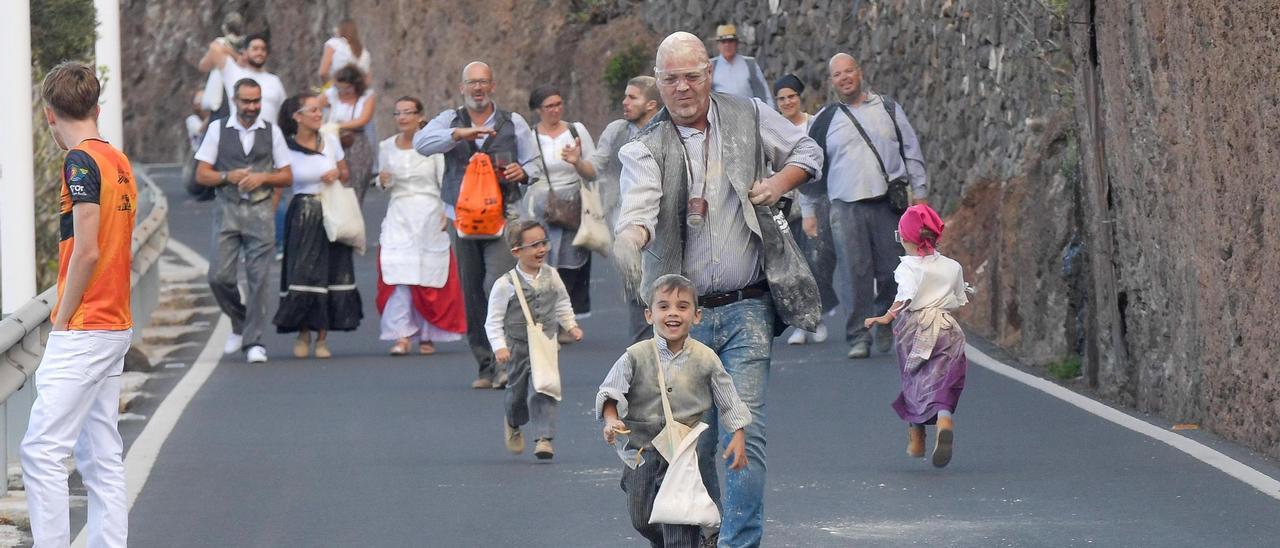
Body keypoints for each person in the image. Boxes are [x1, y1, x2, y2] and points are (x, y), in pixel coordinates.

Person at [614, 32, 823, 547]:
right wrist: (631, 236)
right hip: (684, 323)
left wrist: (776, 185)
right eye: (670, 79)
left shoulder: (749, 114)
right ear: (657, 83)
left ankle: (737, 541)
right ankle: (706, 528)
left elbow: (807, 148)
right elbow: (640, 205)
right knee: (693, 441)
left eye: (692, 76)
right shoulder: (643, 147)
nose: (682, 88)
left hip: (748, 304)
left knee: (742, 431)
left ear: (709, 73)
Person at [20, 61, 136, 548]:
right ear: (97, 107)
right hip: (115, 321)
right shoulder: (118, 159)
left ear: (49, 115)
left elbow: (86, 249)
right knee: (100, 456)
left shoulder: (80, 162)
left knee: (42, 451)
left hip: (87, 324)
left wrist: (62, 319)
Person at [597, 274, 751, 548]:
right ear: (649, 314)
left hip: (682, 452)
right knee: (642, 518)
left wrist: (738, 434)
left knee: (679, 520)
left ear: (697, 315)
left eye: (682, 307)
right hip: (640, 452)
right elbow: (611, 390)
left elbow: (728, 397)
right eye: (664, 306)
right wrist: (611, 419)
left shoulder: (706, 358)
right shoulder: (635, 355)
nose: (673, 313)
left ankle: (684, 540)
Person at [414, 61, 538, 390]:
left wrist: (522, 173)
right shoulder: (448, 120)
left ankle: (506, 363)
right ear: (462, 88)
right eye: (472, 83)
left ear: (493, 86)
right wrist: (458, 135)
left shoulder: (513, 122)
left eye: (484, 82)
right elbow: (421, 144)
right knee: (471, 292)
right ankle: (485, 365)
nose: (478, 88)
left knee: (496, 286)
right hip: (463, 219)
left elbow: (534, 161)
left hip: (503, 217)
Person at [802, 53, 929, 359]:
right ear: (832, 81)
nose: (844, 78)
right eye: (838, 74)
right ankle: (859, 335)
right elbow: (808, 166)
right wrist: (808, 211)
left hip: (888, 204)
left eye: (849, 71)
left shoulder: (887, 108)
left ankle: (885, 321)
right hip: (845, 208)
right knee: (854, 273)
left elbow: (911, 150)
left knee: (891, 270)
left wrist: (921, 194)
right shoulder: (825, 119)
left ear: (859, 73)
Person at [194, 78, 294, 363]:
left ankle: (254, 342)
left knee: (259, 279)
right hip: (227, 210)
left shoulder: (272, 132)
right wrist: (227, 176)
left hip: (261, 212)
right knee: (219, 276)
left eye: (256, 101)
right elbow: (201, 174)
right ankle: (240, 322)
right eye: (246, 101)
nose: (252, 107)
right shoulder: (217, 129)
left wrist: (263, 177)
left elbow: (287, 175)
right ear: (235, 101)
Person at [863, 205, 970, 468]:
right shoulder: (952, 266)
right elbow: (958, 300)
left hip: (916, 328)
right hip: (947, 327)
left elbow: (905, 296)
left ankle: (917, 439)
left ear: (906, 238)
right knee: (945, 378)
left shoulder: (907, 268)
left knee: (915, 380)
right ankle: (944, 418)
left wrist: (885, 318)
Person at [563, 75, 660, 344]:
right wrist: (577, 162)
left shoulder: (667, 129)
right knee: (637, 292)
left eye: (632, 97)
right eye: (625, 96)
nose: (624, 102)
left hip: (664, 224)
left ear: (651, 104)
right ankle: (643, 353)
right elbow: (594, 169)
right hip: (625, 225)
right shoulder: (617, 130)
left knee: (668, 289)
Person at [272, 92, 363, 358]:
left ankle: (322, 338)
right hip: (303, 212)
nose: (317, 114)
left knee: (331, 271)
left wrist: (337, 172)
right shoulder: (285, 146)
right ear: (296, 116)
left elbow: (345, 172)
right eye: (311, 110)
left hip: (331, 210)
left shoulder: (330, 140)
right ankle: (303, 333)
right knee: (303, 273)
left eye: (318, 110)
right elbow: (281, 181)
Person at [376, 96, 466, 356]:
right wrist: (382, 180)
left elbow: (444, 179)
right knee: (398, 271)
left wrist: (447, 212)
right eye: (398, 113)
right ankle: (402, 334)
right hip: (399, 213)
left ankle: (429, 333)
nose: (402, 118)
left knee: (428, 273)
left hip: (429, 212)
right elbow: (384, 183)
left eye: (408, 112)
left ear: (419, 116)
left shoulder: (433, 146)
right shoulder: (386, 146)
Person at [485, 221, 583, 460]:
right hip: (517, 346)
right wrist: (499, 346)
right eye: (534, 245)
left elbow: (562, 302)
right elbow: (493, 320)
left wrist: (570, 325)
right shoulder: (505, 284)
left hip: (546, 342)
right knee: (516, 393)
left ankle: (543, 438)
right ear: (516, 251)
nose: (541, 249)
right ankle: (513, 421)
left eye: (544, 243)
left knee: (545, 388)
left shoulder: (552, 276)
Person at [773, 74, 836, 345]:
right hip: (784, 206)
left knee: (816, 263)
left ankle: (817, 318)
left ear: (800, 97)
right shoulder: (771, 130)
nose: (787, 102)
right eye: (782, 98)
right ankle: (802, 323)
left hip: (816, 203)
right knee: (793, 269)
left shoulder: (814, 125)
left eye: (792, 96)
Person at [527, 85, 596, 324]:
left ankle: (568, 319)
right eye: (549, 106)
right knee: (542, 262)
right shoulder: (530, 136)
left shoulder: (576, 130)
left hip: (573, 204)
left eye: (558, 104)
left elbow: (594, 169)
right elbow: (525, 171)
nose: (555, 110)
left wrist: (577, 162)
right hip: (542, 205)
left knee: (571, 263)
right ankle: (545, 318)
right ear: (538, 110)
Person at [198, 33, 287, 126]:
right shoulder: (233, 71)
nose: (260, 52)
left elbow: (284, 110)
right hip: (240, 136)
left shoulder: (274, 80)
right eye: (255, 49)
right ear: (245, 52)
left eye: (263, 49)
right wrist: (236, 56)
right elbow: (214, 47)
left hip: (269, 137)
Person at [323, 65, 378, 203]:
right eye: (340, 88)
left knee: (354, 190)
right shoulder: (332, 94)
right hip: (333, 143)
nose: (344, 92)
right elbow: (312, 106)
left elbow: (363, 119)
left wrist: (337, 125)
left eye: (347, 88)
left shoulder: (366, 97)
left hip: (356, 145)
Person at [709, 24, 773, 106]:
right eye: (723, 42)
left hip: (748, 114)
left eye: (730, 41)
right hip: (722, 115)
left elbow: (764, 93)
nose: (727, 45)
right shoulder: (710, 66)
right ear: (718, 45)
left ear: (736, 43)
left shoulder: (750, 64)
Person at [318, 19, 372, 85]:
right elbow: (368, 79)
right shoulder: (365, 52)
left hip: (339, 89)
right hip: (358, 92)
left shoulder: (334, 43)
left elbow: (323, 72)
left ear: (340, 30)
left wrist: (330, 88)